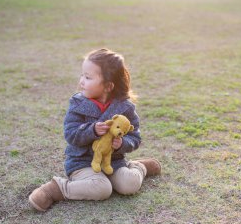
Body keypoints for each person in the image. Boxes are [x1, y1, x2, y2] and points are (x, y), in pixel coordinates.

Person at [29, 48, 161, 212]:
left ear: (108, 86)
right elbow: (70, 134)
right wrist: (91, 130)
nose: (81, 81)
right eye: (82, 75)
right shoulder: (78, 104)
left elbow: (135, 137)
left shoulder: (125, 107)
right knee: (102, 189)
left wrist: (121, 144)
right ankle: (56, 189)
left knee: (130, 185)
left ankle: (141, 167)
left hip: (113, 162)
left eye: (88, 77)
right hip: (82, 163)